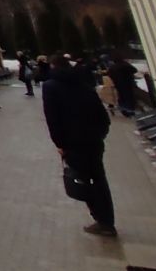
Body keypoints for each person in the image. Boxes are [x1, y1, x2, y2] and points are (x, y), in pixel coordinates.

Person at [43, 55, 117, 236]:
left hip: (72, 143)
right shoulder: (84, 84)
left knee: (84, 180)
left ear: (53, 66)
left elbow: (53, 119)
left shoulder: (51, 86)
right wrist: (99, 135)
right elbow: (103, 117)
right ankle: (106, 220)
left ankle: (102, 221)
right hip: (94, 142)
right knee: (99, 179)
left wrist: (59, 143)